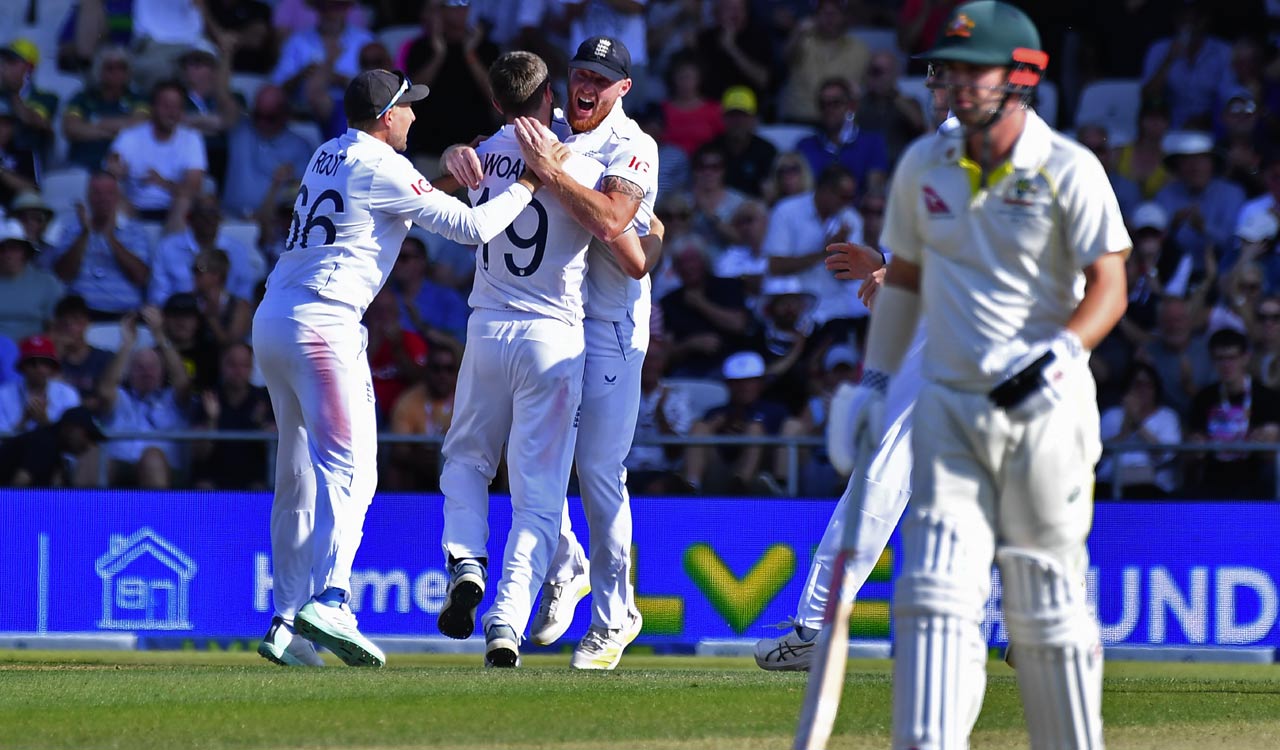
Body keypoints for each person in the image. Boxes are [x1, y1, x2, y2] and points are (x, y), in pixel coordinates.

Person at [843, 3, 1130, 747]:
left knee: (1045, 613)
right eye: (951, 70)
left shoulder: (1071, 169)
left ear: (1023, 77)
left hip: (1047, 414)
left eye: (977, 70)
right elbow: (903, 278)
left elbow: (1110, 287)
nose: (958, 85)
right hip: (949, 402)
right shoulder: (923, 166)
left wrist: (1057, 360)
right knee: (935, 600)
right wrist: (873, 384)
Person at [251, 66, 546, 670]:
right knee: (351, 471)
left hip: (274, 320)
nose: (414, 115)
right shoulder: (382, 165)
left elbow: (401, 202)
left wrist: (461, 176)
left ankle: (287, 621)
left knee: (296, 475)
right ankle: (332, 600)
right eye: (408, 107)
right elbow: (469, 229)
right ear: (387, 116)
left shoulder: (328, 154)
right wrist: (529, 186)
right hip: (324, 328)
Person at [439, 37, 660, 670]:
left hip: (611, 325)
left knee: (595, 474)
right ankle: (566, 565)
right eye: (580, 73)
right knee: (530, 464)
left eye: (602, 78)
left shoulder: (633, 146)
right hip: (551, 326)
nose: (587, 85)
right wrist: (460, 153)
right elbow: (496, 152)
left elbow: (627, 240)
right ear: (563, 85)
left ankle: (615, 619)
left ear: (622, 89)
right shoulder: (548, 127)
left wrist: (554, 174)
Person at [0, 405, 106, 487]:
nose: (88, 444)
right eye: (88, 435)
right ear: (69, 429)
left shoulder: (55, 451)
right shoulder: (44, 444)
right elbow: (18, 484)